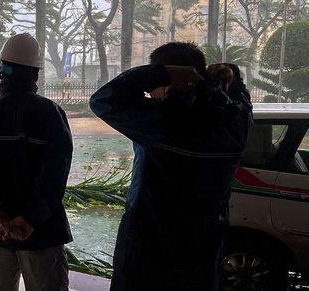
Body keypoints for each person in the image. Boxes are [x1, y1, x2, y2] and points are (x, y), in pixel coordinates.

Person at [90, 41, 253, 291]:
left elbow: (103, 100)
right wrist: (228, 74)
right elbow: (240, 97)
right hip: (204, 251)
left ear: (170, 82)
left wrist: (162, 73)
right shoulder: (237, 126)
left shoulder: (159, 123)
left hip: (148, 250)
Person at [0, 33, 74, 291]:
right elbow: (55, 173)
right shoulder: (50, 113)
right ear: (35, 74)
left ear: (2, 71)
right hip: (41, 233)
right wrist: (30, 218)